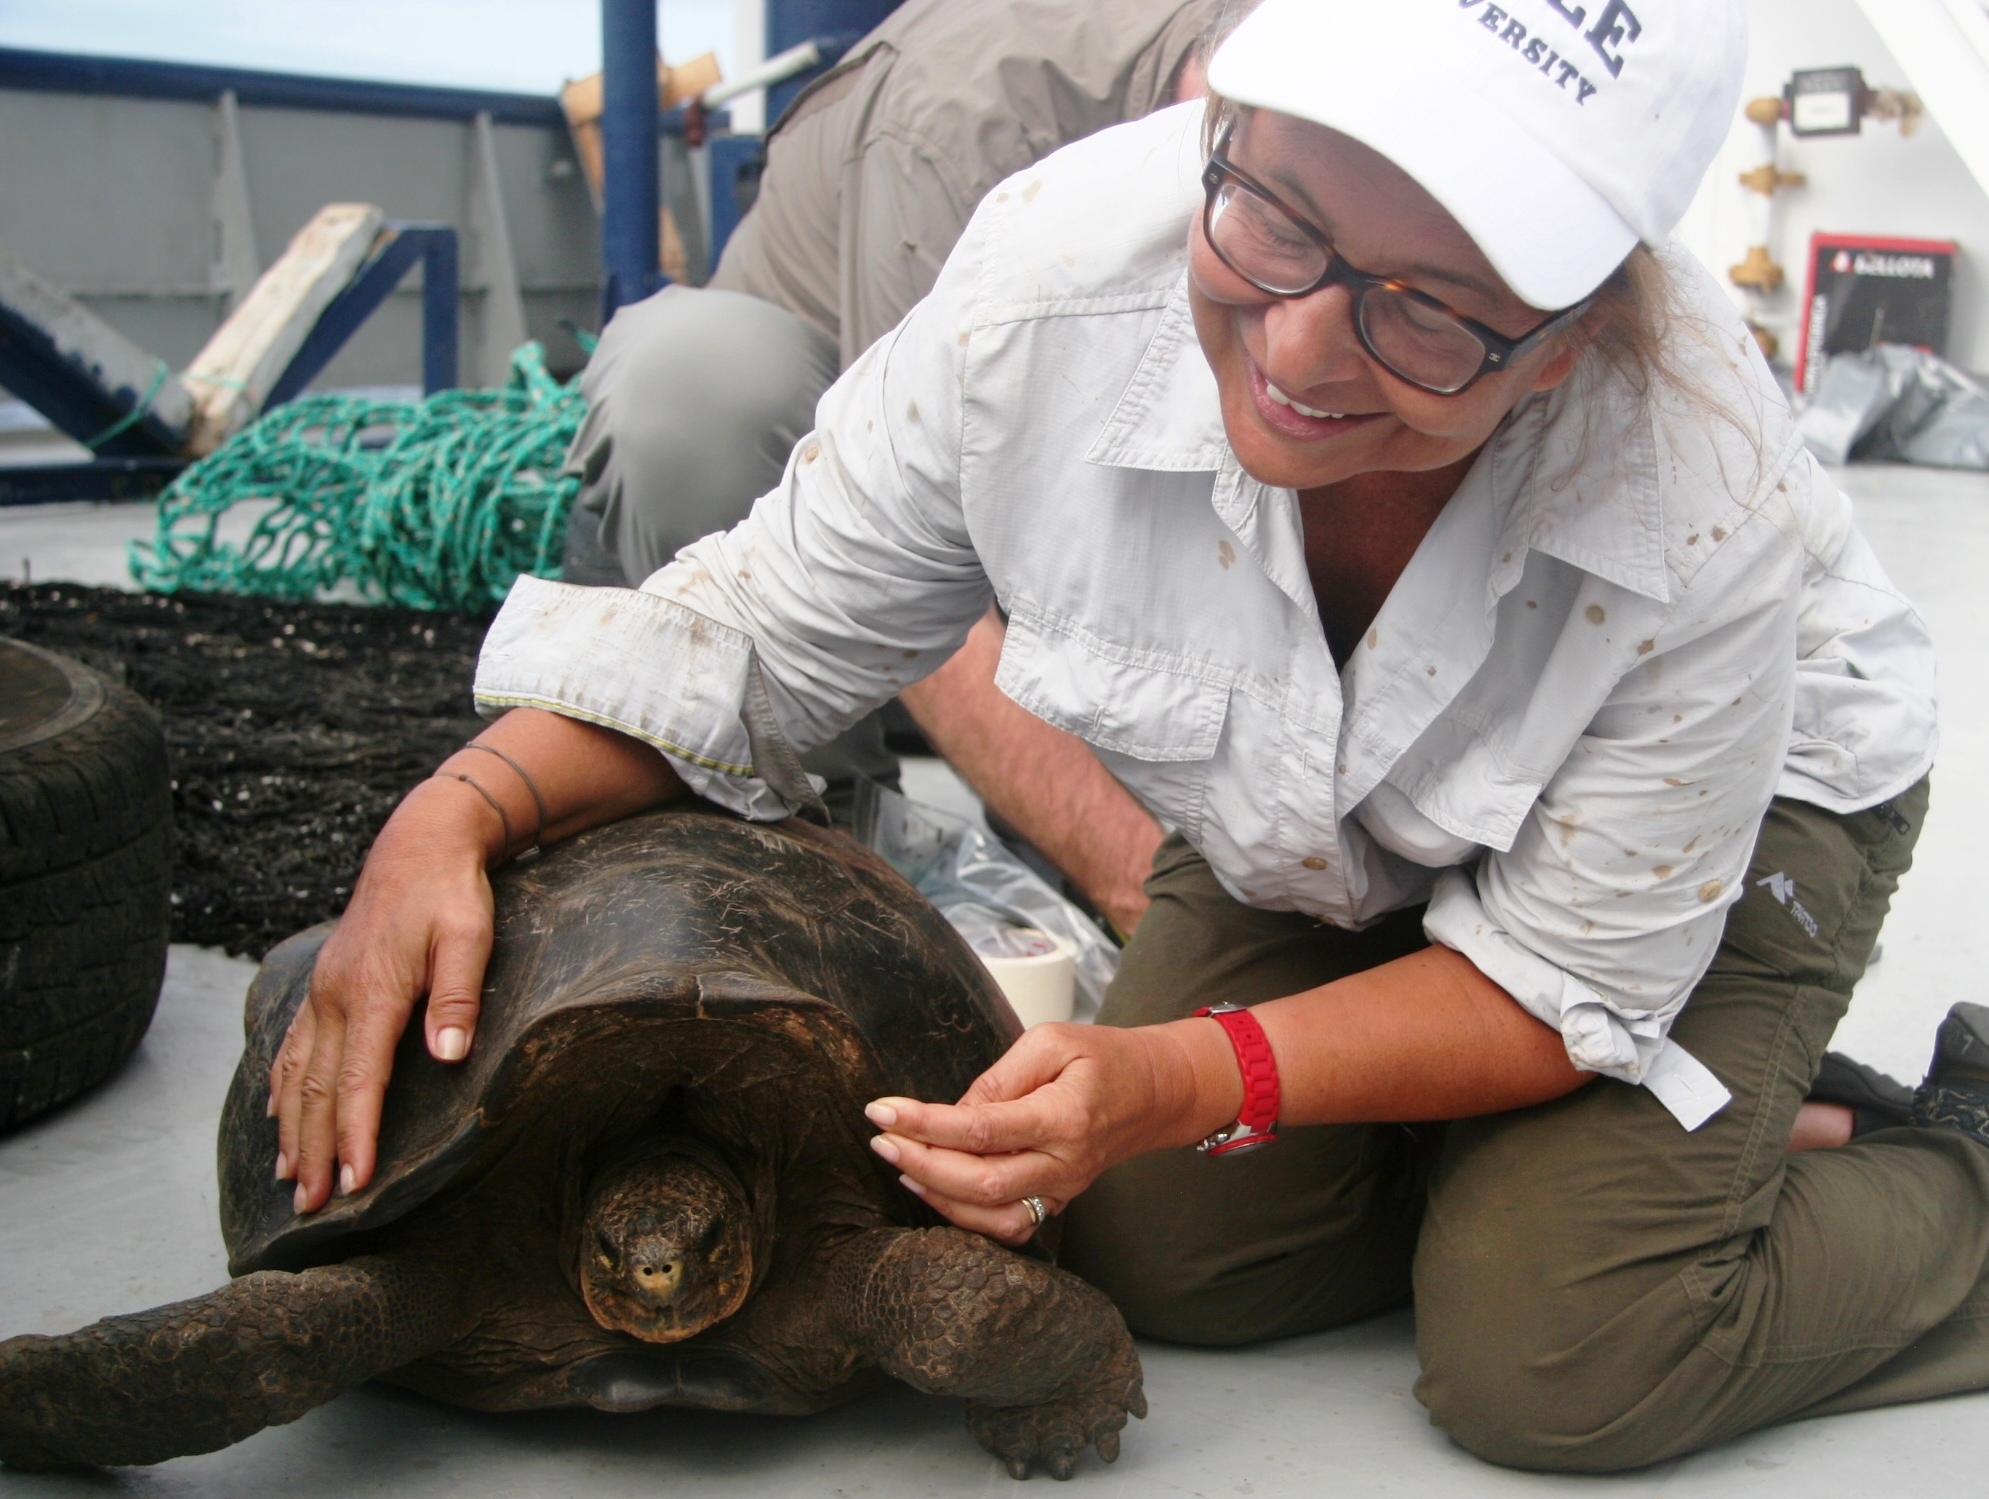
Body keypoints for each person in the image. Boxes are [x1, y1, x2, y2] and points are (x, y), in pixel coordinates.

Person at [273, 0, 1989, 1470]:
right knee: (1167, 1254)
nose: (1301, 348)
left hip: (1751, 805)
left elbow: (1561, 972)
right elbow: (753, 643)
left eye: (1429, 310)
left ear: (1566, 342)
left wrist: (1189, 1070)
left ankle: (1919, 1163)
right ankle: (1625, 1142)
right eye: (1274, 219)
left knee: (1557, 1344)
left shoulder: (1701, 490)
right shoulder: (1044, 293)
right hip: (1340, 830)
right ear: (1214, 119)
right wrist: (455, 810)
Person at [562, 0, 1222, 918]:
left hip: (1058, 499)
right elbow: (899, 520)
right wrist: (1134, 878)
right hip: (780, 493)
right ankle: (826, 869)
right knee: (700, 384)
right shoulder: (963, 127)